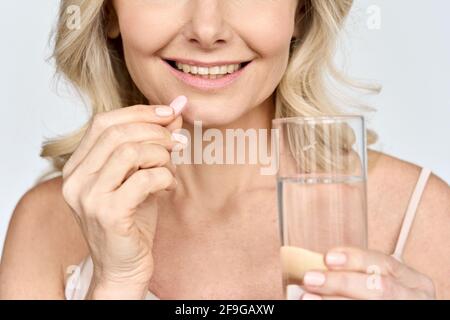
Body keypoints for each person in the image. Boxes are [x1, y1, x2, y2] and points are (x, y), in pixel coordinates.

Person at [0, 0, 449, 300]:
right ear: (109, 12)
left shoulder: (423, 217)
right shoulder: (47, 224)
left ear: (301, 10)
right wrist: (115, 285)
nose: (207, 29)